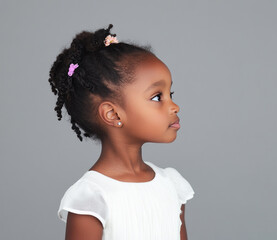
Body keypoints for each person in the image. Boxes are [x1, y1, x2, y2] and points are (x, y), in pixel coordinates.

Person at [49, 24, 195, 240]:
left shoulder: (172, 186)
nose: (174, 107)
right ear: (113, 114)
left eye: (170, 93)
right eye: (157, 97)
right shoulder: (92, 198)